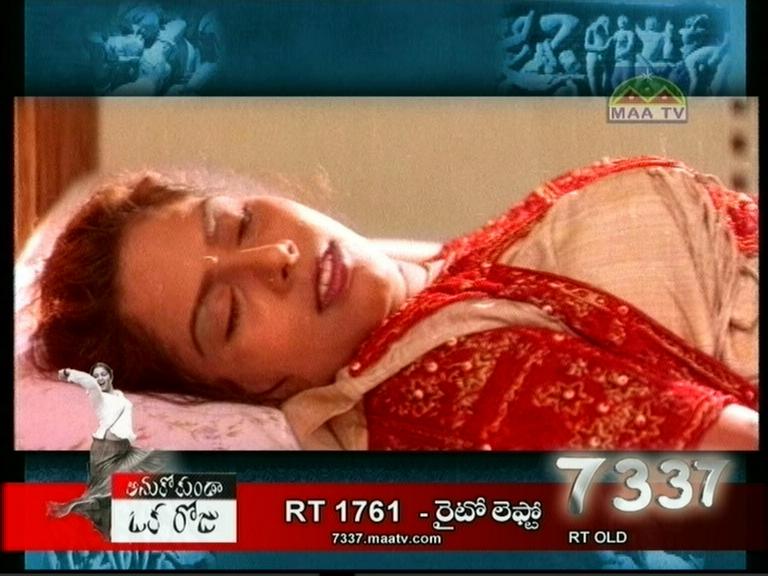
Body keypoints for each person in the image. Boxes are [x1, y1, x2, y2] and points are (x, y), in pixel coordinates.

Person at [31, 157, 759, 451]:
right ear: (247, 393)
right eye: (227, 314)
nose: (275, 258)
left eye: (241, 222)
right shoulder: (451, 389)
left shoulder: (428, 283)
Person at [48, 363, 168, 538]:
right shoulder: (97, 396)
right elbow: (89, 383)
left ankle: (112, 530)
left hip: (124, 450)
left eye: (103, 374)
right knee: (106, 491)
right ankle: (86, 510)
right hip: (106, 450)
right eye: (96, 376)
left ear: (111, 376)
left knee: (136, 478)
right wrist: (68, 373)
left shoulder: (119, 396)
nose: (99, 379)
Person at [584, 16, 612, 95]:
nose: (606, 23)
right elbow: (586, 46)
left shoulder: (605, 31)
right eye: (604, 21)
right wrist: (602, 48)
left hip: (602, 58)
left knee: (604, 82)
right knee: (593, 80)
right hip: (593, 56)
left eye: (607, 22)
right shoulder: (591, 29)